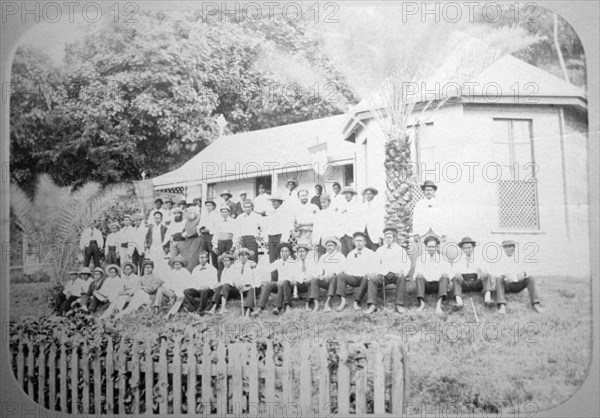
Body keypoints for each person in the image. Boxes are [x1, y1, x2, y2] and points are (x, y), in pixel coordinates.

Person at [368, 227, 412, 314]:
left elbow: (407, 262)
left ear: (394, 238)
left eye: (390, 237)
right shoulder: (380, 250)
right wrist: (374, 272)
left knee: (402, 278)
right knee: (372, 280)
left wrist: (403, 270)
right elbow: (374, 263)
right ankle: (372, 305)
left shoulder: (400, 250)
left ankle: (399, 304)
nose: (388, 239)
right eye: (386, 237)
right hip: (383, 275)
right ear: (384, 238)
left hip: (396, 274)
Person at [494, 240, 543, 314]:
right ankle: (502, 305)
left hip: (518, 285)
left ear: (514, 248)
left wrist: (524, 273)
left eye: (511, 247)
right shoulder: (499, 259)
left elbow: (530, 270)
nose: (509, 249)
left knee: (530, 278)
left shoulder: (520, 258)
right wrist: (504, 276)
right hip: (506, 285)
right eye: (506, 247)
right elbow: (495, 273)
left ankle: (536, 304)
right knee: (498, 279)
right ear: (503, 249)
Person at [253, 242, 299, 316]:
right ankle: (260, 308)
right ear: (280, 253)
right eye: (282, 251)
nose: (284, 253)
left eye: (286, 251)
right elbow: (267, 268)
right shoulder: (278, 262)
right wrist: (256, 266)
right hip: (279, 284)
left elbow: (294, 277)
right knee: (268, 284)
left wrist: (284, 279)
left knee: (283, 283)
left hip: (289, 285)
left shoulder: (293, 262)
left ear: (290, 252)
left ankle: (279, 307)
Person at [336, 232, 376, 312]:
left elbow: (375, 266)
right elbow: (347, 267)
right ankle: (343, 301)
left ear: (364, 242)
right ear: (353, 242)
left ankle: (357, 301)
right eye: (357, 241)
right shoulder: (350, 254)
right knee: (341, 275)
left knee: (366, 277)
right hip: (354, 278)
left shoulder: (371, 253)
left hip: (365, 279)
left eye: (361, 241)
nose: (359, 243)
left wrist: (371, 272)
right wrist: (344, 270)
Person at [451, 236, 493, 309]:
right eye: (465, 248)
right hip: (464, 282)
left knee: (487, 275)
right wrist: (456, 273)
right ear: (462, 249)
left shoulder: (479, 258)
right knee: (455, 278)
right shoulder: (457, 259)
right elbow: (453, 271)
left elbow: (485, 268)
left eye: (469, 247)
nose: (468, 250)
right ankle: (459, 302)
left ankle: (487, 299)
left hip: (476, 282)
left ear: (473, 248)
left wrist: (484, 271)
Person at [414, 235, 451, 315]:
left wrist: (445, 273)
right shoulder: (420, 258)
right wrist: (419, 273)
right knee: (418, 276)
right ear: (426, 247)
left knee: (445, 276)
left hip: (438, 285)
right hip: (426, 285)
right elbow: (417, 270)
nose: (431, 249)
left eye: (433, 247)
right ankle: (422, 303)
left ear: (437, 247)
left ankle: (439, 303)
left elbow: (448, 271)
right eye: (429, 247)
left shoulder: (443, 258)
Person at [308, 236, 345, 312]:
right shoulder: (323, 257)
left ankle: (327, 303)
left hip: (336, 281)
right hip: (326, 280)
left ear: (335, 246)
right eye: (328, 245)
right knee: (314, 279)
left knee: (334, 277)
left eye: (331, 245)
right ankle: (316, 304)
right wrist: (320, 275)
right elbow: (319, 269)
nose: (329, 247)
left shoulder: (340, 256)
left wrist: (334, 272)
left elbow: (344, 269)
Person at [263, 195, 294, 264]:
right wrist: (266, 239)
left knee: (281, 259)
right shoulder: (270, 213)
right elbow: (267, 227)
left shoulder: (284, 213)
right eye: (272, 201)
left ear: (280, 202)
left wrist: (283, 240)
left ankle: (281, 274)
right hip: (271, 238)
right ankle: (273, 275)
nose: (273, 203)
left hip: (279, 237)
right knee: (272, 259)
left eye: (275, 201)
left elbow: (286, 227)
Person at [212, 205, 238, 279]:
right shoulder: (218, 221)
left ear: (229, 212)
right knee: (220, 262)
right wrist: (215, 246)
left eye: (226, 211)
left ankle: (230, 280)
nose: (224, 213)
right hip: (220, 244)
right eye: (222, 212)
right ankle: (220, 281)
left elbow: (236, 234)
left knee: (229, 262)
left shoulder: (233, 221)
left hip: (229, 243)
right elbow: (216, 234)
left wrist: (233, 246)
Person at [338, 187, 362, 256]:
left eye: (348, 193)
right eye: (345, 194)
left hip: (351, 234)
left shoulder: (357, 205)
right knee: (344, 253)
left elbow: (359, 221)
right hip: (342, 234)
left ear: (352, 195)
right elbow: (339, 220)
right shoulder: (341, 205)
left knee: (353, 253)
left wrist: (356, 235)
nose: (346, 195)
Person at [360, 187, 384, 251]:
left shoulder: (378, 206)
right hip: (364, 234)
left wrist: (380, 236)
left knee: (375, 253)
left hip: (374, 234)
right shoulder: (362, 206)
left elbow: (381, 221)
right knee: (365, 254)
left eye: (370, 194)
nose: (368, 195)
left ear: (373, 195)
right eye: (366, 194)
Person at [199, 199, 219, 267]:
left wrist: (209, 230)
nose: (208, 207)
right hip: (204, 237)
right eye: (207, 205)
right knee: (204, 254)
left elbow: (217, 228)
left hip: (212, 237)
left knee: (213, 255)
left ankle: (215, 271)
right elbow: (200, 225)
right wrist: (200, 230)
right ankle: (205, 271)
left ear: (213, 206)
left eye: (210, 205)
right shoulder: (204, 215)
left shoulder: (216, 215)